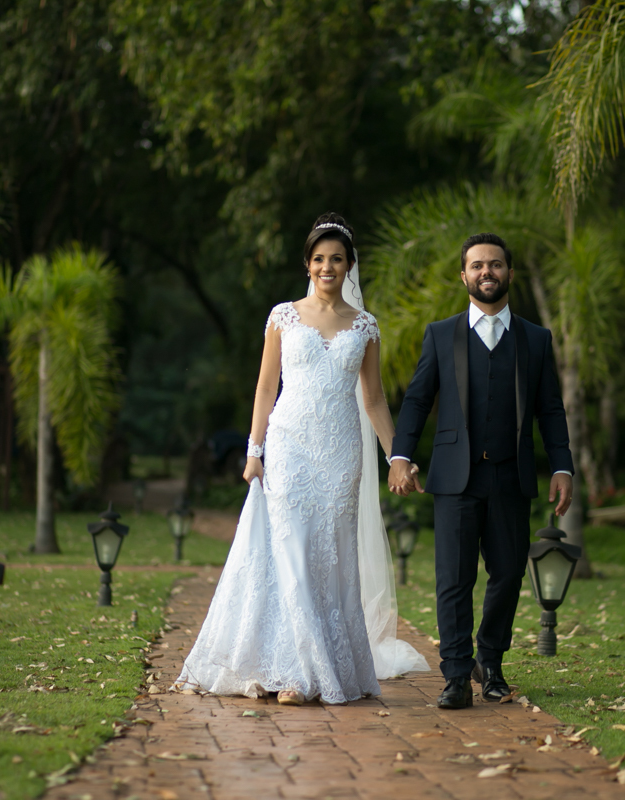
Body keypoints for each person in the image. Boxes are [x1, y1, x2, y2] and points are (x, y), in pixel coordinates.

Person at [175, 213, 428, 706]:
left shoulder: (366, 326)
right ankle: (290, 671)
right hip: (289, 447)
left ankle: (318, 667)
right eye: (318, 259)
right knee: (289, 554)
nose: (327, 266)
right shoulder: (283, 316)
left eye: (336, 258)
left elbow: (374, 399)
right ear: (307, 265)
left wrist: (397, 456)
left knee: (328, 558)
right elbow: (266, 386)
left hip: (340, 454)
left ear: (350, 265)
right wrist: (254, 451)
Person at [387, 232, 574, 710]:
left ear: (509, 273)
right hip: (454, 477)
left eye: (494, 265)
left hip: (510, 477)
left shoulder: (535, 338)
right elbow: (416, 400)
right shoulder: (440, 334)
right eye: (477, 266)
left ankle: (490, 663)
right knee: (453, 578)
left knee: (508, 573)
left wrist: (562, 467)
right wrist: (401, 456)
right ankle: (454, 674)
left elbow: (550, 409)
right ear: (463, 275)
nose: (486, 272)